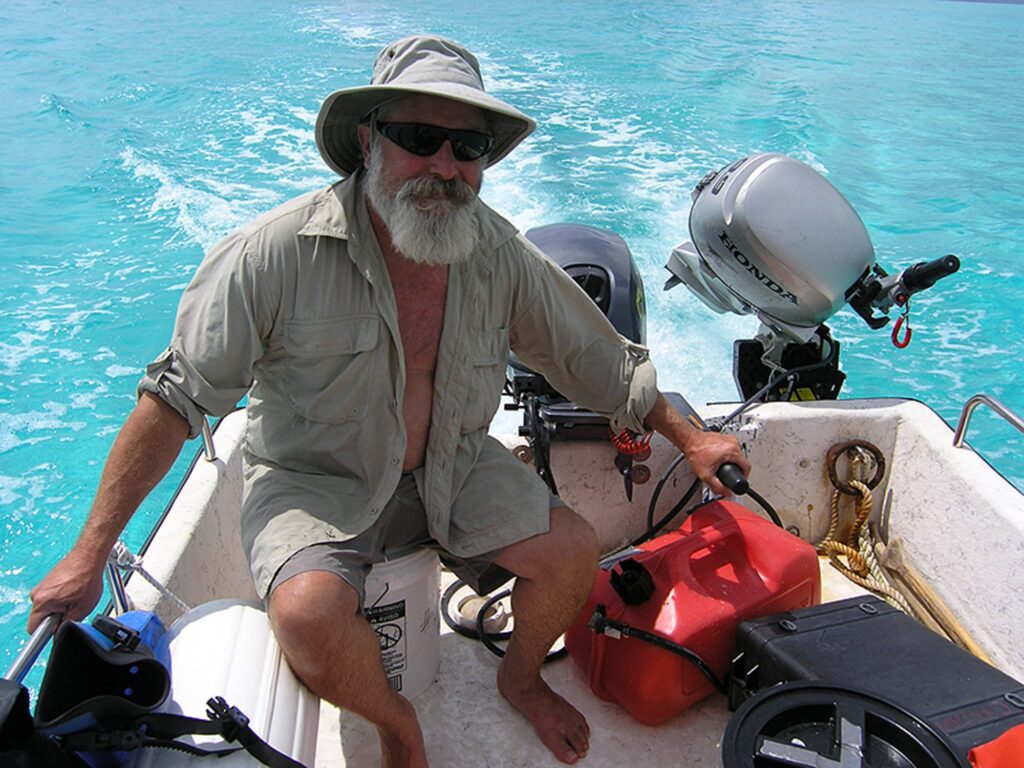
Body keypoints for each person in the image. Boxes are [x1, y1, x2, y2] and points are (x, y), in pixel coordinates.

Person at [28, 35, 749, 767]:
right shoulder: (273, 254)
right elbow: (175, 400)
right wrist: (88, 557)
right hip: (317, 479)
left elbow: (597, 359)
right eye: (418, 138)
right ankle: (396, 722)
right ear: (369, 142)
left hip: (454, 465)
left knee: (571, 554)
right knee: (307, 614)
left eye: (466, 145)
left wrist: (688, 438)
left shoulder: (501, 256)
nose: (444, 164)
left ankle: (520, 678)